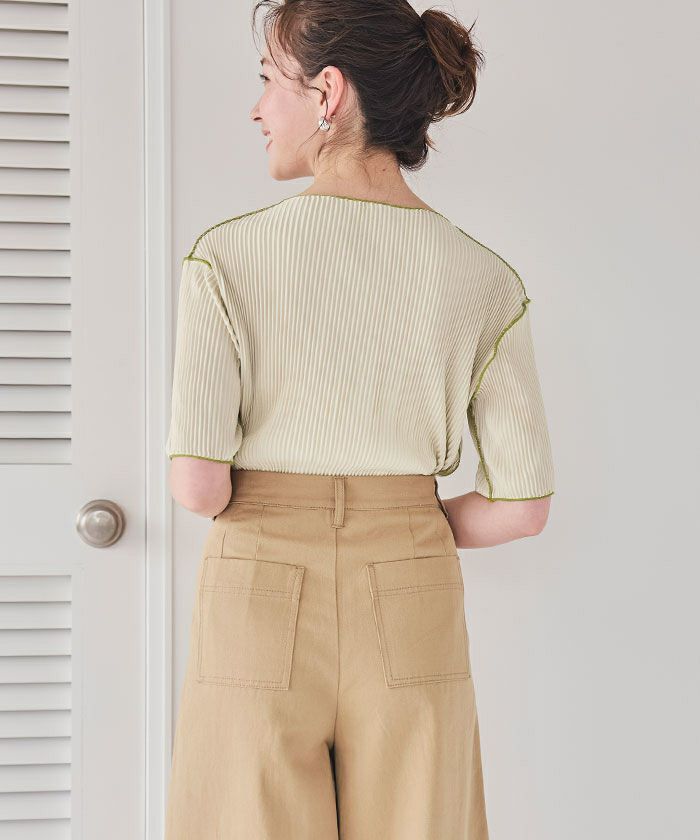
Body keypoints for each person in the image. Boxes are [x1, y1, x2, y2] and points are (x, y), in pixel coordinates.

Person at [164, 2, 555, 838]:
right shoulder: (485, 279)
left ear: (328, 92)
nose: (257, 108)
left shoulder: (225, 258)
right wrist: (399, 522)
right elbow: (522, 509)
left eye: (269, 80)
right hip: (410, 584)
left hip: (259, 585)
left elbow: (199, 488)